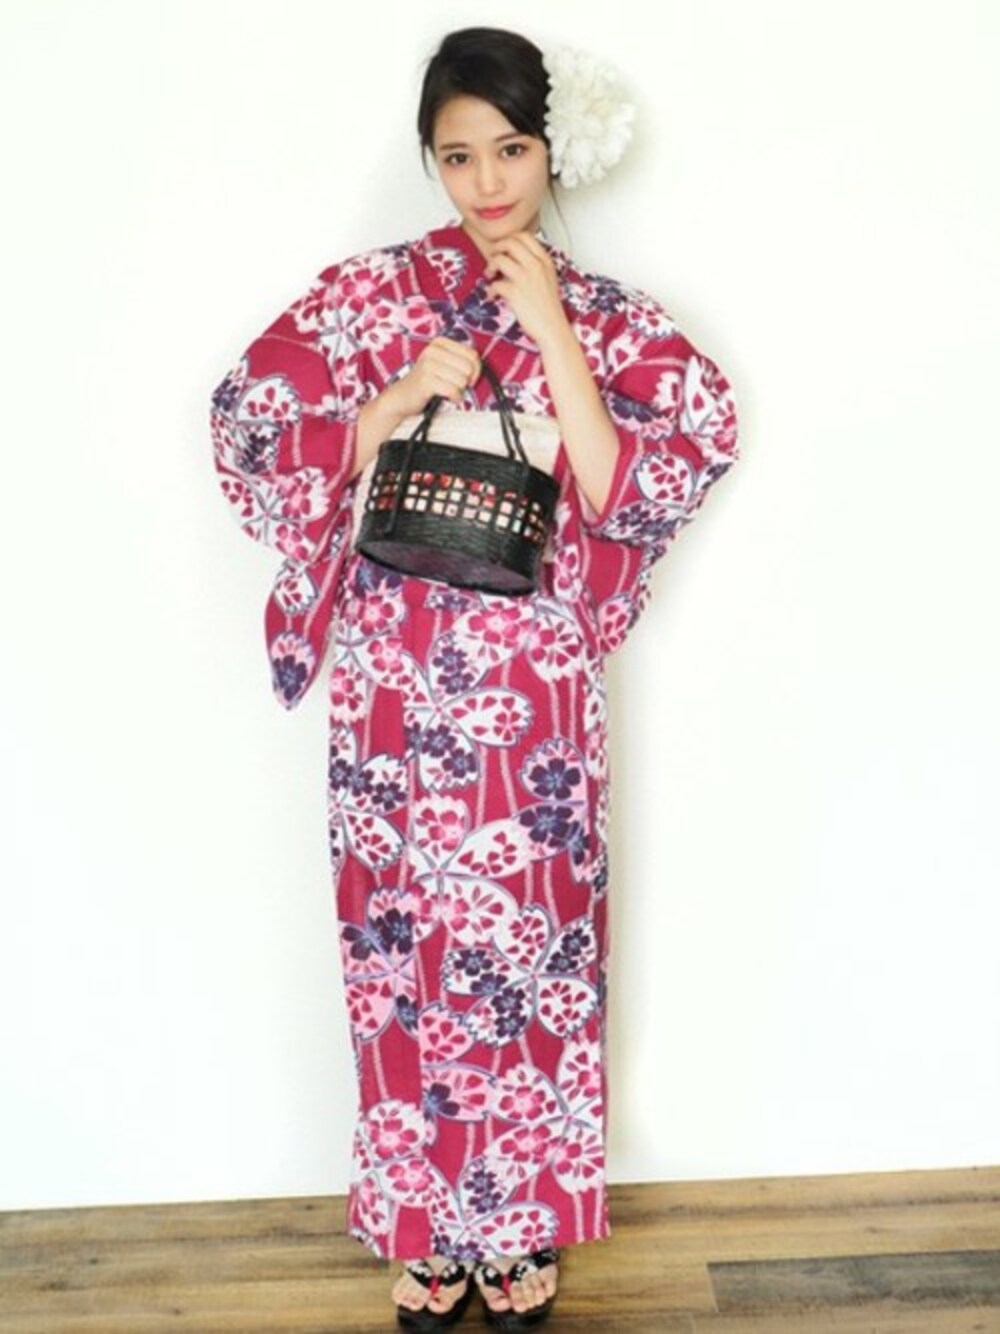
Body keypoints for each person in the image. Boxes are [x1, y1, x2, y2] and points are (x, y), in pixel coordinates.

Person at [209, 24, 740, 1332]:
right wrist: (388, 400)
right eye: (459, 156)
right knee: (402, 951)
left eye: (510, 149)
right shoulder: (369, 295)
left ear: (552, 149)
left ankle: (520, 1224)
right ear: (430, 162)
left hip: (533, 695)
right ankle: (424, 1224)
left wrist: (552, 330)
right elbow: (244, 424)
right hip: (394, 684)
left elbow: (653, 473)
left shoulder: (605, 315)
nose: (488, 181)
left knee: (532, 954)